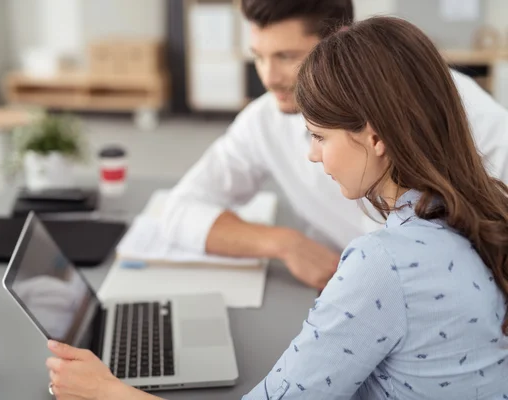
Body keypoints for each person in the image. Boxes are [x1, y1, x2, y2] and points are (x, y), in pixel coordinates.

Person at [45, 16, 508, 400]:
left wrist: (106, 391)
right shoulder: (481, 209)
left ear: (374, 136)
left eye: (320, 136)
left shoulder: (382, 264)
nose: (311, 154)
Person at [159, 0, 508, 290]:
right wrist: (284, 243)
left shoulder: (466, 112)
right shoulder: (264, 120)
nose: (268, 78)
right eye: (259, 57)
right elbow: (177, 213)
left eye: (286, 56)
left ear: (339, 42)